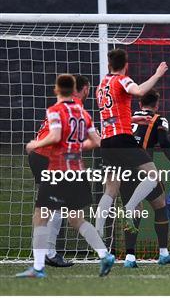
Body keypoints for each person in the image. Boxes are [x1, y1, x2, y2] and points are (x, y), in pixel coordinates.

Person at [17, 74, 115, 278]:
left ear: (56, 90)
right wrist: (75, 148)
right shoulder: (82, 112)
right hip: (75, 170)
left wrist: (34, 144)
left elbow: (54, 137)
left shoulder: (55, 110)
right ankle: (103, 253)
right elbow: (96, 141)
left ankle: (42, 262)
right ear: (81, 89)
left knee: (42, 214)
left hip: (53, 165)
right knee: (75, 217)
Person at [94, 49, 170, 265]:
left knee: (110, 189)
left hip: (106, 142)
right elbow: (138, 91)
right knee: (152, 175)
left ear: (109, 63)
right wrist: (158, 74)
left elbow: (113, 112)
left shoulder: (101, 85)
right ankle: (130, 207)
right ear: (125, 64)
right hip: (122, 139)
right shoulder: (122, 79)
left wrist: (131, 119)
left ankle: (98, 232)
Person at [27, 74, 90, 268]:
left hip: (38, 156)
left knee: (49, 206)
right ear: (84, 89)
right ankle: (49, 253)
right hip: (48, 156)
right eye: (88, 88)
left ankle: (43, 251)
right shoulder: (76, 106)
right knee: (56, 205)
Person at [120, 89, 170, 268]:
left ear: (140, 104)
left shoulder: (128, 118)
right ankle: (163, 253)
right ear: (157, 104)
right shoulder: (158, 119)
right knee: (161, 206)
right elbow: (164, 142)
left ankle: (130, 257)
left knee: (134, 210)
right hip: (143, 169)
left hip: (123, 170)